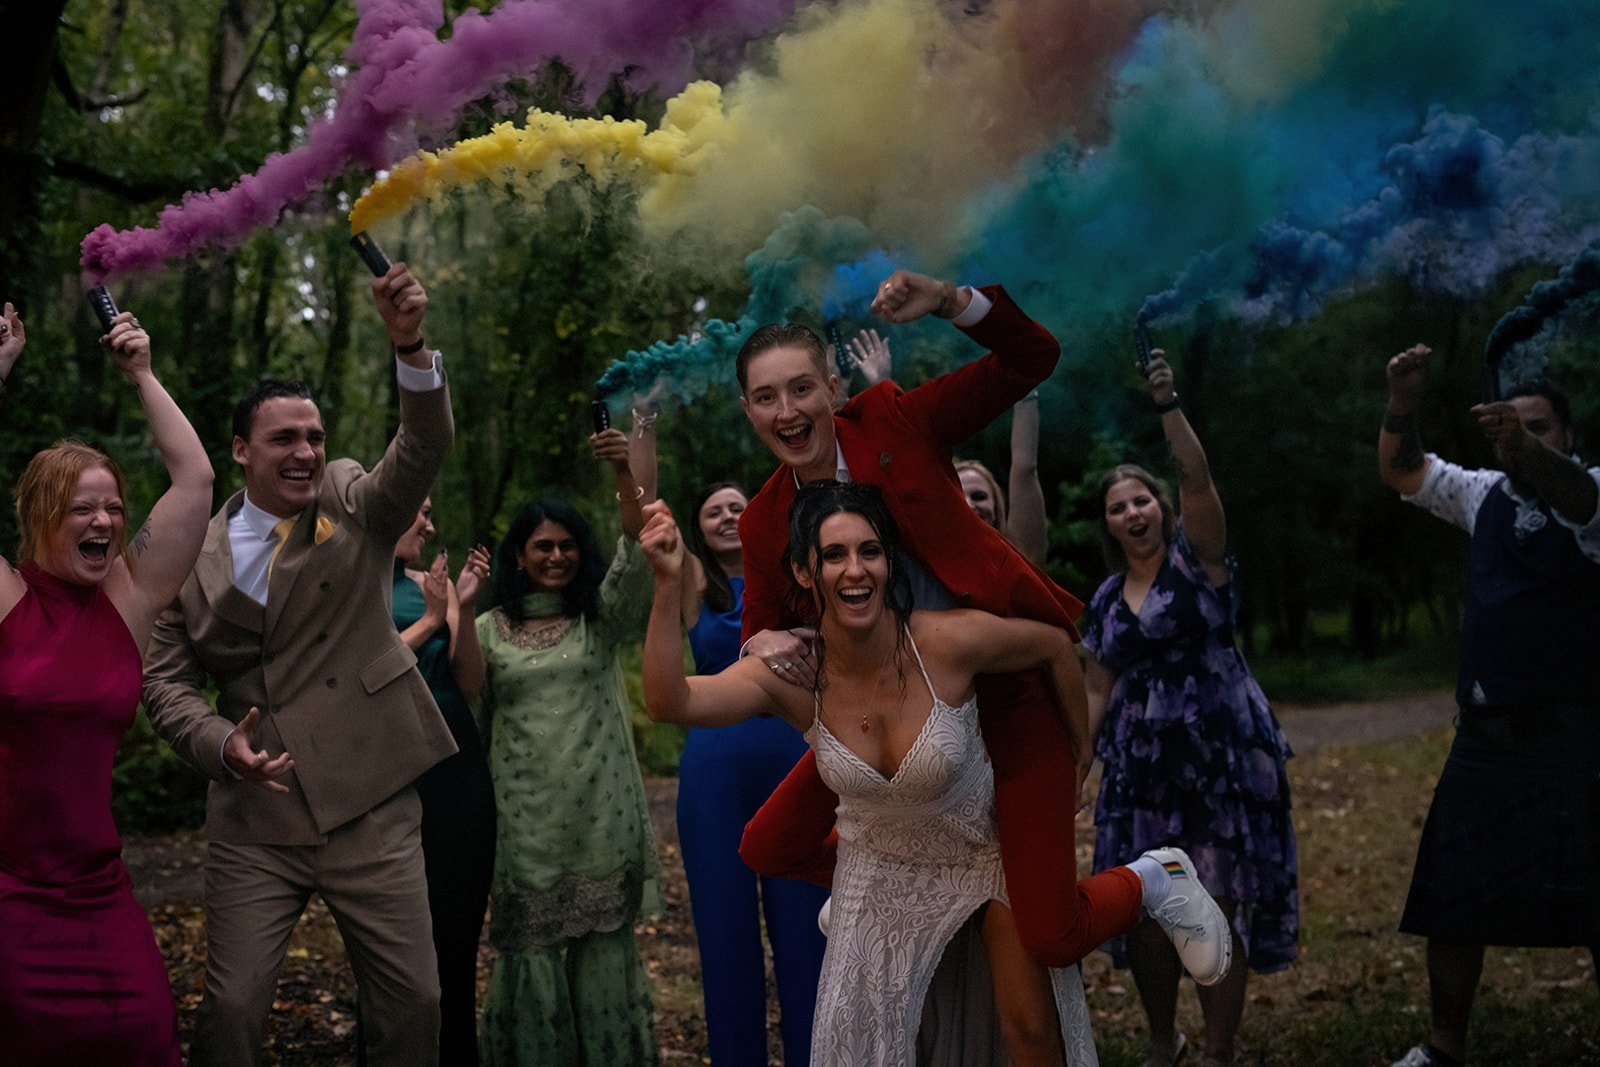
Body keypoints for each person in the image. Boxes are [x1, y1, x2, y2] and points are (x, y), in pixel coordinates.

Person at [641, 481, 1232, 1066]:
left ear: (888, 560)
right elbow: (670, 702)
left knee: (1029, 1036)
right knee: (859, 1046)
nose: (856, 570)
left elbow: (1054, 645)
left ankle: (1160, 876)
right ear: (804, 572)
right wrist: (668, 584)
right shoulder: (796, 678)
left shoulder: (944, 642)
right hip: (882, 866)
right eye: (835, 555)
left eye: (870, 551)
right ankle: (844, 902)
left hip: (979, 849)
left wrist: (1079, 751)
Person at [735, 270, 1151, 971]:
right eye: (766, 397)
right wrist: (761, 638)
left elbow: (1033, 359)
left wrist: (956, 304)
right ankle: (885, 886)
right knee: (768, 844)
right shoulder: (761, 521)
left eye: (801, 388)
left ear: (833, 389)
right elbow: (758, 633)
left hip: (1003, 689)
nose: (787, 410)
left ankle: (1158, 879)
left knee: (1050, 935)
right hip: (890, 726)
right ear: (748, 410)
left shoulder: (894, 418)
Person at [142, 263, 456, 1067]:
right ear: (241, 450)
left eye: (314, 436)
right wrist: (219, 743)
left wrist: (409, 346)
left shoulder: (352, 499)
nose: (306, 451)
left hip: (372, 802)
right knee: (234, 1010)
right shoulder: (188, 553)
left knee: (415, 1003)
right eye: (284, 438)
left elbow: (420, 448)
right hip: (257, 820)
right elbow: (166, 681)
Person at [0, 300, 213, 1064]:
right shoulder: (9, 599)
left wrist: (143, 374)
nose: (104, 520)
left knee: (146, 1035)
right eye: (81, 508)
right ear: (39, 518)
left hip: (100, 893)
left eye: (113, 507)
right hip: (9, 893)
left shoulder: (128, 599)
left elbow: (195, 478)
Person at [1378, 345, 1600, 1067]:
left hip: (1578, 737)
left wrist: (1523, 451)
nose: (1524, 436)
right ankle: (1445, 1046)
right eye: (1515, 424)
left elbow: (1576, 499)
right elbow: (1402, 471)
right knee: (1453, 899)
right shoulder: (1482, 492)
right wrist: (1402, 402)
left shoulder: (1592, 488)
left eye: (1540, 427)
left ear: (1568, 436)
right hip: (1487, 736)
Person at [1079, 353, 1298, 1067]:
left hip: (1218, 761)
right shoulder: (1108, 600)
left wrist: (1168, 403)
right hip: (1140, 775)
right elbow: (1096, 688)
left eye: (1141, 499)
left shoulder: (1197, 561)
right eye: (1118, 507)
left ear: (1161, 507)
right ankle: (1160, 1036)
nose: (1132, 512)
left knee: (1217, 904)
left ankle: (1218, 1051)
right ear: (1109, 524)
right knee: (1146, 911)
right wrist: (1078, 765)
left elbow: (1198, 477)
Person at [469, 427, 660, 1066]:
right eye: (542, 546)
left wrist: (623, 472)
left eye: (568, 545)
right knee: (529, 958)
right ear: (518, 556)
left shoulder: (599, 622)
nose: (557, 556)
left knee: (604, 954)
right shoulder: (486, 632)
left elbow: (637, 547)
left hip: (599, 821)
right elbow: (468, 716)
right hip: (522, 827)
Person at [673, 479, 829, 1065]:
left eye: (736, 507)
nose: (725, 516)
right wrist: (641, 427)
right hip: (715, 770)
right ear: (700, 528)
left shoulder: (795, 577)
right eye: (712, 510)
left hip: (796, 758)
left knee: (806, 932)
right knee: (724, 935)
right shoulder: (694, 582)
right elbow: (643, 515)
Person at [391, 502, 495, 1065]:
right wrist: (430, 621)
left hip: (458, 772)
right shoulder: (342, 581)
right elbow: (361, 677)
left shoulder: (432, 584)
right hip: (390, 777)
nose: (430, 526)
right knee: (397, 953)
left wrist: (465, 605)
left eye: (433, 513)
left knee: (456, 947)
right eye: (419, 513)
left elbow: (469, 683)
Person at [843, 324, 1049, 565]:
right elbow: (901, 467)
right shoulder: (928, 566)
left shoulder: (1022, 554)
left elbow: (1024, 469)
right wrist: (882, 388)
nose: (971, 504)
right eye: (959, 497)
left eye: (980, 496)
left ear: (998, 504)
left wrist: (1022, 378)